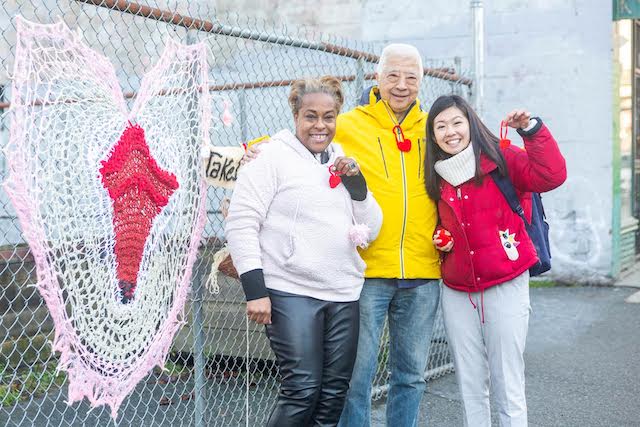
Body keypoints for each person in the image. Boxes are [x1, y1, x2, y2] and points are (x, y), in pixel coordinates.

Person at [244, 44, 442, 427]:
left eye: (411, 77)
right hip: (368, 273)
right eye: (393, 75)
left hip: (421, 270)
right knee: (353, 382)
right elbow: (292, 141)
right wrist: (251, 153)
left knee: (410, 378)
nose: (401, 85)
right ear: (377, 78)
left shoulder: (434, 127)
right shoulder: (347, 123)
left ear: (422, 80)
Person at [225, 76, 383, 427]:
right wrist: (256, 291)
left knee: (332, 396)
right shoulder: (271, 157)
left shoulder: (341, 160)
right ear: (295, 114)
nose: (320, 125)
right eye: (311, 116)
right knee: (302, 390)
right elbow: (241, 221)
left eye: (329, 116)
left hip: (342, 292)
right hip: (291, 291)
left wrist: (357, 185)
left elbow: (371, 226)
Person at [424, 95, 566, 427]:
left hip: (505, 283)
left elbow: (551, 176)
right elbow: (441, 224)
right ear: (433, 136)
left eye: (457, 122)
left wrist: (531, 131)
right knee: (470, 385)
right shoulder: (435, 176)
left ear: (471, 123)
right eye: (440, 126)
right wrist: (440, 236)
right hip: (458, 291)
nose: (450, 132)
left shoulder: (500, 157)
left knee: (508, 383)